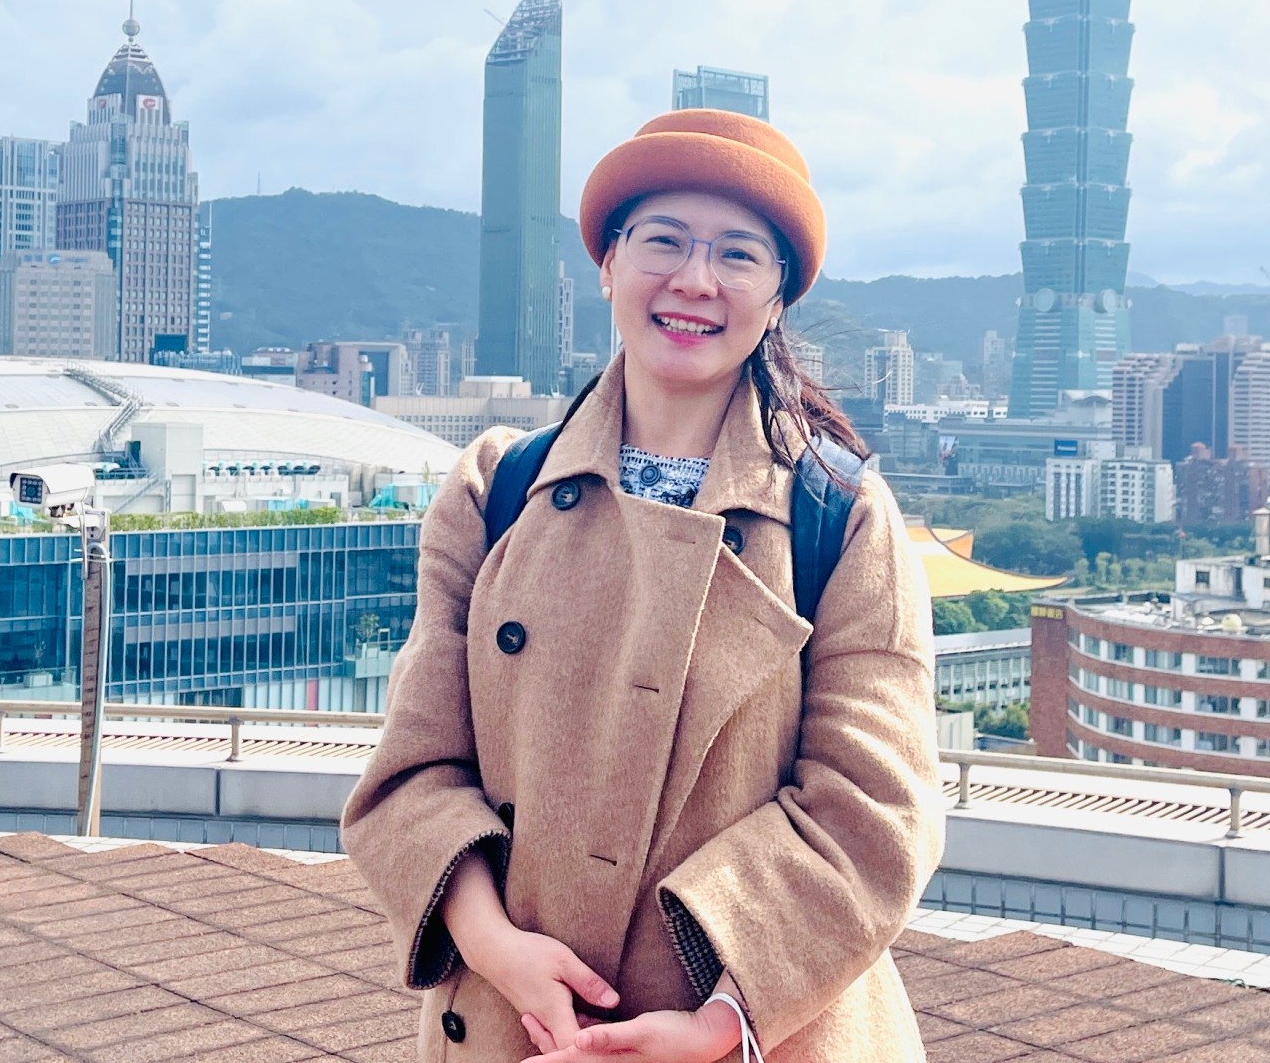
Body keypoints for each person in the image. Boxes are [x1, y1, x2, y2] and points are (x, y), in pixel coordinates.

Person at [344, 109, 943, 1061]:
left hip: (759, 1032)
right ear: (608, 264)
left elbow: (874, 809)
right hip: (512, 1022)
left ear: (776, 298)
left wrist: (719, 1020)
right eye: (663, 240)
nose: (695, 280)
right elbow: (415, 769)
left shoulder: (838, 515)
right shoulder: (495, 489)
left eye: (738, 254)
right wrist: (496, 949)